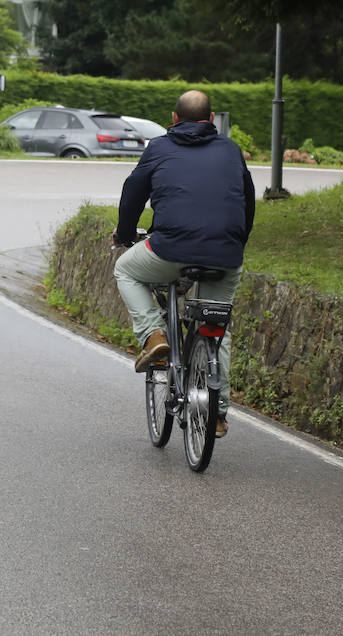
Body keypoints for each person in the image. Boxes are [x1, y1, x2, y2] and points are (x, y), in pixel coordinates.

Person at [111, 89, 255, 438]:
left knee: (126, 270)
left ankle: (153, 335)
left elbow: (133, 193)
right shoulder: (231, 151)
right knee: (215, 327)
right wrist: (235, 242)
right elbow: (247, 203)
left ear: (173, 119)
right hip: (225, 253)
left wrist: (125, 234)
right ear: (211, 119)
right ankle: (217, 413)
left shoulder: (159, 147)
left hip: (169, 249)